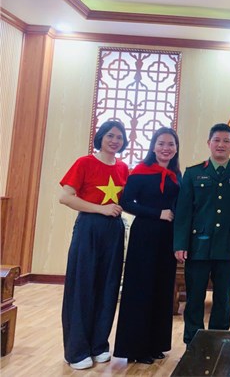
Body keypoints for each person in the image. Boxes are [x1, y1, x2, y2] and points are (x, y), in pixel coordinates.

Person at [173, 123, 230, 345]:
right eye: (216, 140)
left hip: (228, 246)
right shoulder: (193, 173)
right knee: (194, 297)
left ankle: (218, 341)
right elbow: (184, 212)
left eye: (226, 141)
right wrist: (180, 244)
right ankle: (193, 342)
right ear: (209, 143)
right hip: (197, 246)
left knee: (223, 299)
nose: (221, 144)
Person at [59, 120, 129, 370]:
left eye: (119, 137)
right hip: (89, 228)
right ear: (100, 137)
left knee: (108, 286)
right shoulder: (84, 163)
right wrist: (100, 209)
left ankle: (99, 344)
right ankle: (76, 350)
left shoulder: (123, 168)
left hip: (114, 231)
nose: (114, 140)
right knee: (82, 286)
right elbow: (65, 197)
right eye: (110, 135)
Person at [114, 127, 181, 364]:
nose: (166, 148)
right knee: (140, 290)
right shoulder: (140, 172)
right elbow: (126, 203)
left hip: (167, 238)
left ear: (176, 148)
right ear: (153, 146)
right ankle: (135, 348)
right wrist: (157, 213)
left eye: (171, 144)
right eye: (161, 143)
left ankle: (155, 344)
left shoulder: (176, 175)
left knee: (162, 290)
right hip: (144, 236)